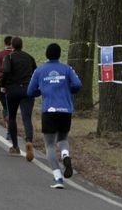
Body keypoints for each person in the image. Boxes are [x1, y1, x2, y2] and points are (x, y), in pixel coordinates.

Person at [27, 43, 82, 188]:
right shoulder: (67, 68)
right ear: (59, 55)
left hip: (49, 110)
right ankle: (65, 155)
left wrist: (41, 90)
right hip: (65, 110)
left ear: (46, 54)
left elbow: (30, 91)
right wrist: (68, 89)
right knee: (63, 138)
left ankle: (58, 178)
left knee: (49, 145)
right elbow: (77, 84)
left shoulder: (39, 71)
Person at [0, 36, 37, 159]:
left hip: (13, 90)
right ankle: (29, 141)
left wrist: (2, 85)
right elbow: (35, 73)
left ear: (12, 46)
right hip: (27, 89)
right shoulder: (30, 58)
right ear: (22, 45)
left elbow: (5, 72)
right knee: (27, 118)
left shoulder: (9, 57)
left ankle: (15, 147)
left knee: (12, 117)